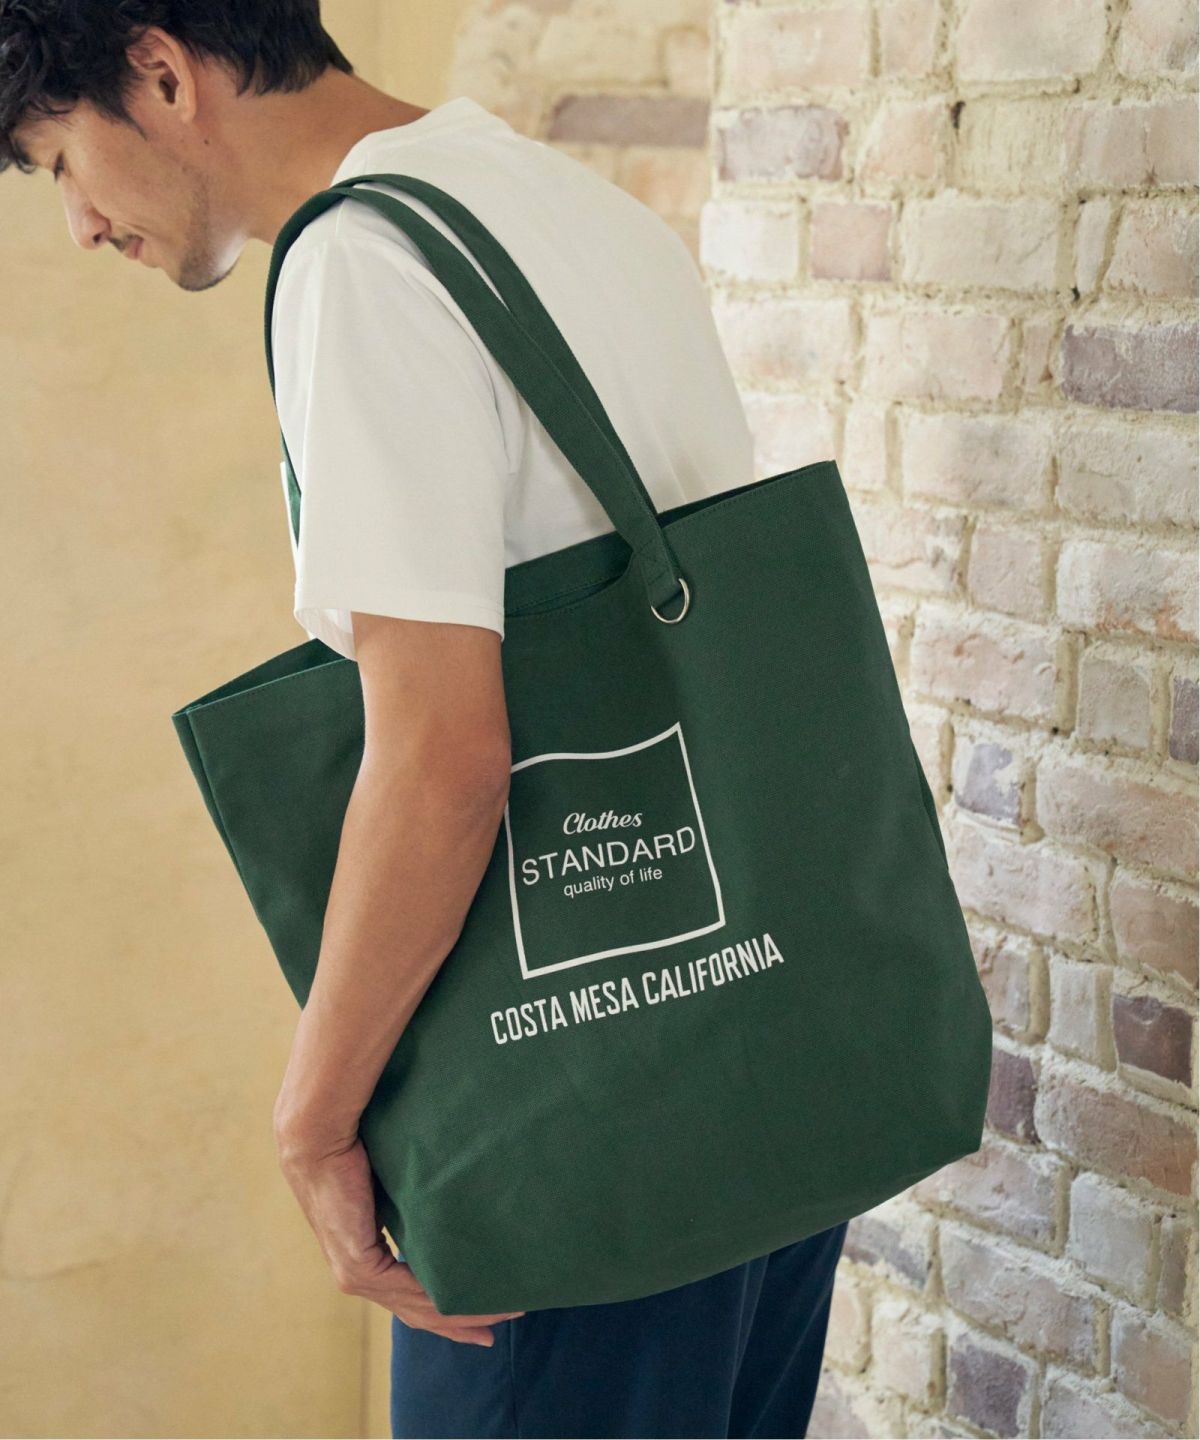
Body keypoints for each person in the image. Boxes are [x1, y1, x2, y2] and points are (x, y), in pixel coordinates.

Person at [1, 4, 848, 1435]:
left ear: (160, 72)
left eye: (61, 161)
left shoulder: (362, 267)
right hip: (765, 1071)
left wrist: (313, 1121)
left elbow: (445, 757)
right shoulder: (574, 209)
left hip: (568, 1127)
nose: (79, 224)